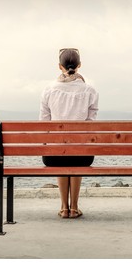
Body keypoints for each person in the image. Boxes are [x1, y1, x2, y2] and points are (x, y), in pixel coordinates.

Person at [39, 48, 99, 219]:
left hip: (53, 155)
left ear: (60, 67)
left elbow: (43, 124)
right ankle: (75, 207)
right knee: (76, 151)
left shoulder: (48, 90)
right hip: (82, 155)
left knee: (59, 150)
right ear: (79, 65)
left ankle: (64, 207)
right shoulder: (90, 91)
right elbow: (90, 124)